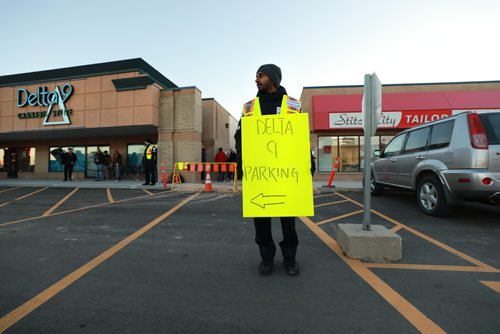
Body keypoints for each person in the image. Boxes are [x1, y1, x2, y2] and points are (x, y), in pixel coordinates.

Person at [234, 64, 302, 276]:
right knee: (261, 221)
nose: (256, 79)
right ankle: (267, 258)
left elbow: (299, 137)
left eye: (261, 75)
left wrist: (307, 163)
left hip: (285, 174)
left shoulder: (292, 105)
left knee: (288, 221)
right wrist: (241, 162)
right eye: (256, 76)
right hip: (259, 174)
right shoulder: (249, 107)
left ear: (273, 78)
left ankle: (290, 259)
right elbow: (240, 137)